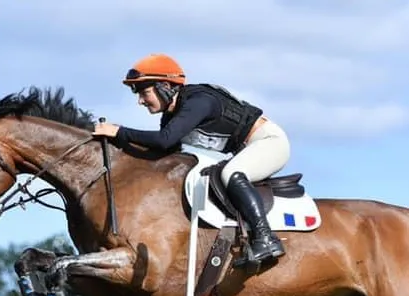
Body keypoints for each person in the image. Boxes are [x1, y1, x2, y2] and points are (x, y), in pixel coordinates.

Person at [92, 53, 290, 265]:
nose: (140, 101)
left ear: (165, 86)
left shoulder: (199, 101)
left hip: (269, 141)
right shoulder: (172, 114)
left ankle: (266, 238)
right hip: (246, 148)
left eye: (144, 92)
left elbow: (164, 141)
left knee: (230, 174)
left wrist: (119, 132)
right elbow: (163, 153)